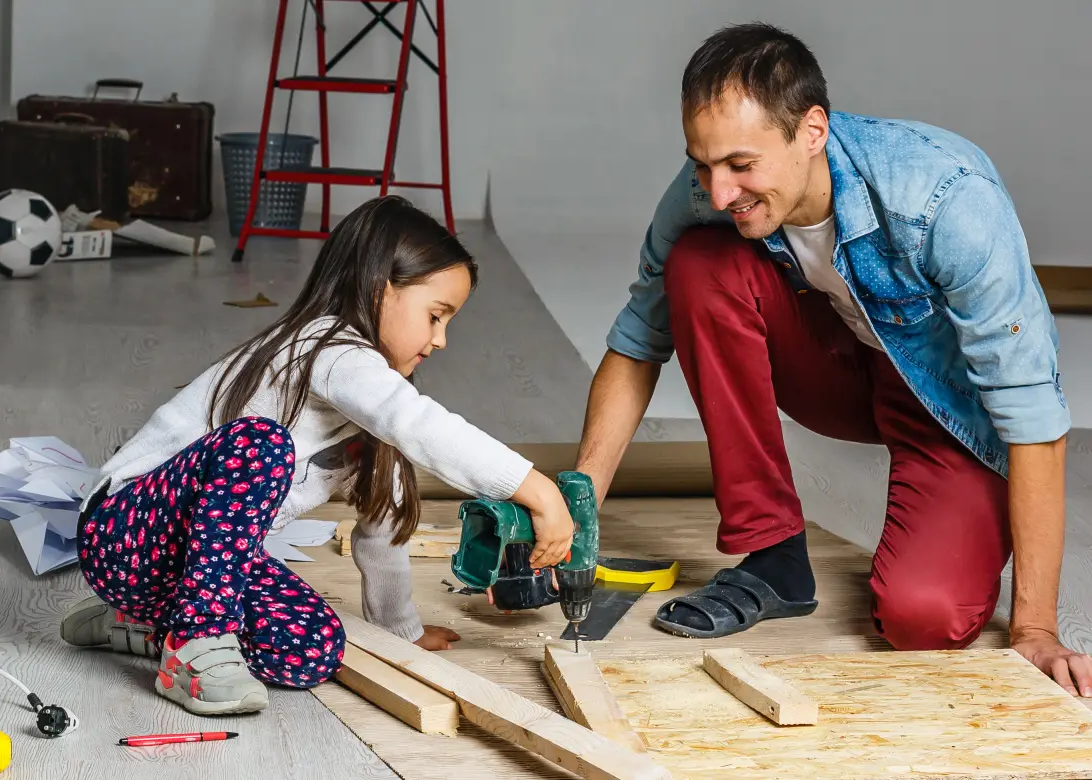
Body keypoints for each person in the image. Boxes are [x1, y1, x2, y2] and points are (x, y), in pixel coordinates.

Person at [574, 22, 1092, 696]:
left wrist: (1034, 627)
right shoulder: (705, 192)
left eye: (739, 165)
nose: (719, 191)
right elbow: (638, 343)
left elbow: (1033, 416)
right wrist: (576, 511)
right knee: (700, 266)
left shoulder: (946, 200)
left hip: (947, 409)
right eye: (702, 163)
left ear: (811, 132)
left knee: (922, 620)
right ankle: (775, 559)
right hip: (840, 373)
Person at [56, 195, 576, 716]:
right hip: (122, 532)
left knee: (313, 650)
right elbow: (421, 426)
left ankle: (146, 625)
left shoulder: (371, 415)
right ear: (380, 290)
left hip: (189, 571)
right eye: (436, 315)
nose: (441, 340)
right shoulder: (328, 349)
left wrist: (401, 635)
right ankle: (197, 647)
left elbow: (384, 530)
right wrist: (537, 490)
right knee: (259, 446)